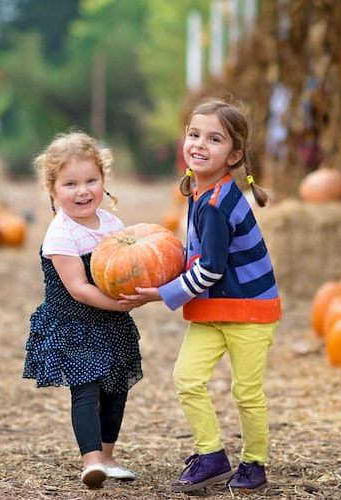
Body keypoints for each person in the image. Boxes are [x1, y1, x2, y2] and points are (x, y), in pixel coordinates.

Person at [120, 99, 281, 493]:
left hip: (249, 309)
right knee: (187, 378)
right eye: (194, 135)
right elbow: (198, 257)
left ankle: (254, 462)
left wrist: (162, 293)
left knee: (245, 391)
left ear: (235, 155)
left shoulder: (216, 204)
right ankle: (211, 455)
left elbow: (210, 268)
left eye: (214, 139)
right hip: (214, 307)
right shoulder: (200, 193)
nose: (199, 144)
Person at [23, 131, 143, 490]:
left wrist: (140, 290)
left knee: (116, 389)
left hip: (111, 323)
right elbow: (78, 289)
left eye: (91, 180)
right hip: (74, 323)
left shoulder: (112, 226)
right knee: (87, 389)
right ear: (53, 190)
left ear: (104, 182)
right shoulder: (61, 234)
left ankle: (108, 456)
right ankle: (91, 461)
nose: (82, 191)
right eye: (70, 183)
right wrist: (123, 303)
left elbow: (126, 268)